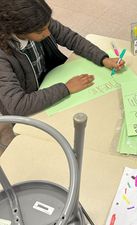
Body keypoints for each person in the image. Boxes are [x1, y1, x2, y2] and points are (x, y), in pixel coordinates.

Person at [0, 0, 124, 152]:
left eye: (47, 26)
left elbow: (71, 38)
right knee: (50, 144)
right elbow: (18, 105)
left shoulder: (38, 22)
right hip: (31, 104)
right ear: (17, 30)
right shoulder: (3, 55)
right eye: (41, 31)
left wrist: (102, 58)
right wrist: (66, 88)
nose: (48, 33)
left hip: (50, 80)